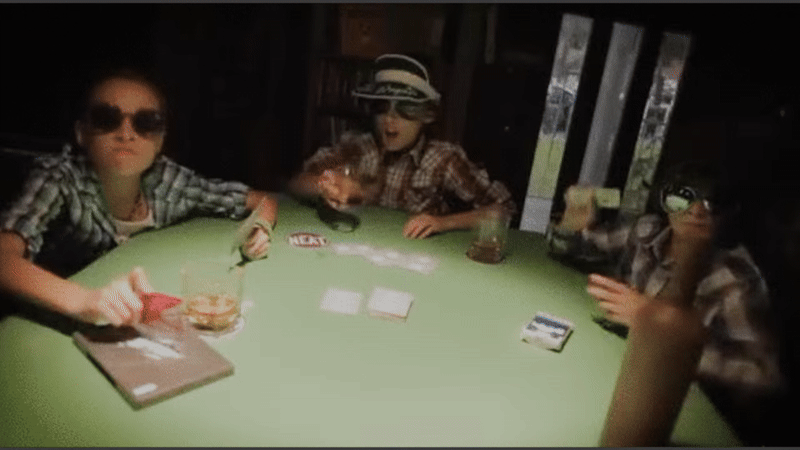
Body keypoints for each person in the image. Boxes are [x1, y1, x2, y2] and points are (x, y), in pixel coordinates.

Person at [0, 67, 277, 328]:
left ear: (160, 140)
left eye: (146, 123)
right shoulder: (59, 178)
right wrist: (85, 301)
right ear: (82, 133)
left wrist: (261, 227)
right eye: (106, 119)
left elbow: (261, 200)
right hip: (39, 323)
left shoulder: (167, 181)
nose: (126, 133)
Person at [547, 162, 783, 444]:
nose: (696, 211)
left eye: (714, 203)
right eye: (682, 197)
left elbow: (763, 375)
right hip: (615, 370)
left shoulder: (734, 277)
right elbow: (572, 248)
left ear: (730, 213)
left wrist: (652, 325)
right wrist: (573, 222)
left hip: (682, 407)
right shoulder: (647, 231)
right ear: (664, 200)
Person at [289, 53, 515, 238]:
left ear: (425, 116)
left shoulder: (443, 158)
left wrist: (442, 223)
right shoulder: (358, 146)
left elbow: (504, 209)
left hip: (416, 253)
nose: (390, 119)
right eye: (382, 108)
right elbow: (297, 183)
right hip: (359, 244)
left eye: (404, 111)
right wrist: (325, 186)